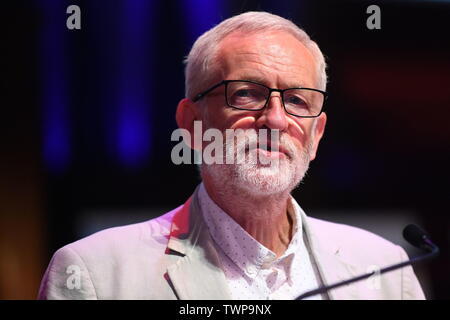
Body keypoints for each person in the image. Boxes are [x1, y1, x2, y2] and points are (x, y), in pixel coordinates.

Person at [38, 11, 425, 300]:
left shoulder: (388, 272)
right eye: (246, 94)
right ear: (191, 122)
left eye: (296, 100)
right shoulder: (96, 273)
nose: (275, 119)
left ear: (316, 134)